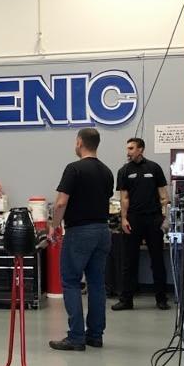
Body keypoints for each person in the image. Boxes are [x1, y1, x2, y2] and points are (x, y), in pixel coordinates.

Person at [47, 128, 114, 351]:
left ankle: (76, 337)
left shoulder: (73, 168)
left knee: (71, 282)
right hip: (103, 231)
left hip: (79, 232)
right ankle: (95, 335)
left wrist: (53, 227)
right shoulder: (106, 171)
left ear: (79, 143)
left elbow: (60, 203)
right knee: (96, 284)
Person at [113, 137, 170, 311]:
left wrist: (164, 218)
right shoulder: (123, 171)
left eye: (131, 148)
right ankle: (126, 300)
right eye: (127, 148)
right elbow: (124, 198)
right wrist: (123, 219)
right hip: (133, 219)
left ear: (141, 149)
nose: (128, 151)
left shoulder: (154, 168)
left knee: (157, 260)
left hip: (153, 219)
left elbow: (164, 196)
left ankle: (161, 299)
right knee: (129, 261)